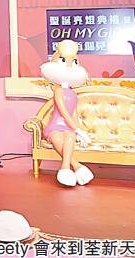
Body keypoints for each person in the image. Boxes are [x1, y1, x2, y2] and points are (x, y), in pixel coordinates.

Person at [40, 39, 94, 187]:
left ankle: (69, 168)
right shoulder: (58, 91)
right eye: (64, 61)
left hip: (69, 128)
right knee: (58, 139)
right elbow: (63, 113)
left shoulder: (73, 94)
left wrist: (78, 131)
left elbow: (74, 114)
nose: (70, 66)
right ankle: (72, 167)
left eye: (74, 62)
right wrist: (78, 130)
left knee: (70, 137)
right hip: (54, 127)